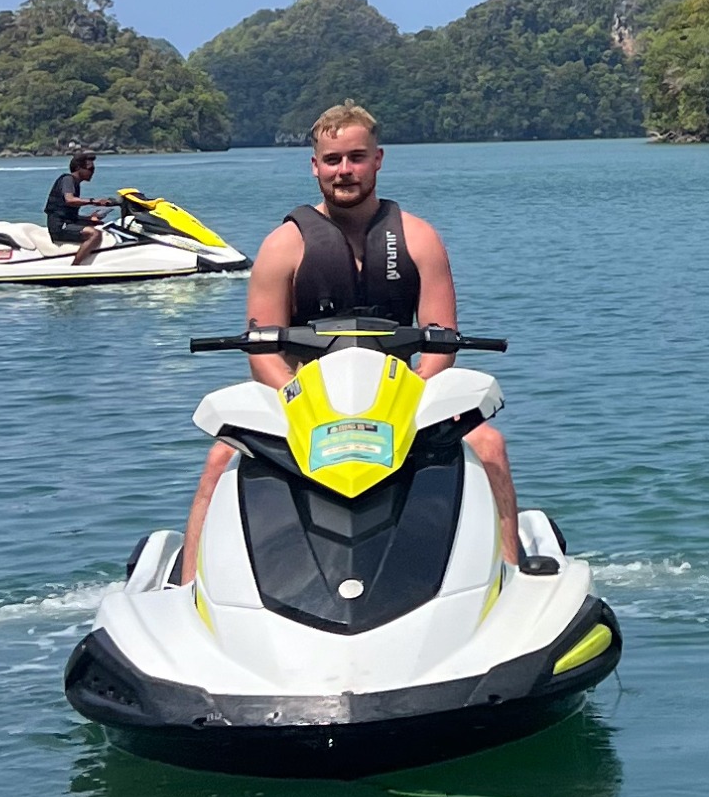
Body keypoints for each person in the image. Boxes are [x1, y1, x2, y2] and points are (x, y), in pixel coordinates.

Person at [177, 103, 523, 579]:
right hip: (301, 399)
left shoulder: (419, 239)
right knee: (222, 456)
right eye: (333, 160)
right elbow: (263, 352)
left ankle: (512, 568)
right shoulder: (283, 245)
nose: (345, 171)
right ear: (315, 165)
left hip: (403, 397)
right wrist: (299, 401)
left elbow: (442, 344)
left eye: (356, 158)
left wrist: (414, 396)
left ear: (378, 159)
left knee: (488, 444)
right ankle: (188, 585)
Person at [45, 151, 110, 265]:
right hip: (59, 227)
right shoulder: (68, 179)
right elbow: (69, 200)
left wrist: (88, 219)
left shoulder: (75, 183)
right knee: (95, 234)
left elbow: (69, 214)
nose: (92, 173)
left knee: (100, 224)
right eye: (90, 169)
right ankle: (75, 266)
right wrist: (94, 201)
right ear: (79, 168)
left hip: (66, 222)